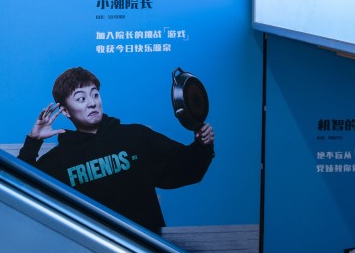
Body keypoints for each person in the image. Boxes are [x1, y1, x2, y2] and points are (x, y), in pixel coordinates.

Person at [18, 67, 215, 233]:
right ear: (66, 111)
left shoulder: (136, 136)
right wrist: (33, 142)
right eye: (80, 99)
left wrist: (202, 145)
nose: (92, 102)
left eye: (95, 94)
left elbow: (188, 169)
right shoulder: (59, 161)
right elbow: (21, 193)